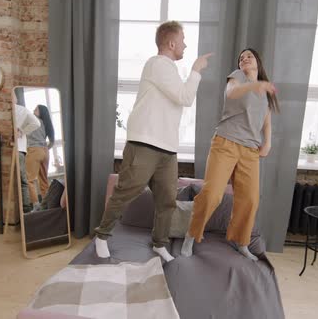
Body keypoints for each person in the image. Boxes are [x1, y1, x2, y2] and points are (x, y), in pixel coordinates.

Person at [93, 21, 212, 262]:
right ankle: (102, 236)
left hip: (167, 149)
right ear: (171, 43)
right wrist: (197, 69)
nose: (185, 45)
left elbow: (177, 100)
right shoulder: (158, 64)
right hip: (144, 144)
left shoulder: (169, 70)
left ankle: (160, 243)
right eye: (183, 40)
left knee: (167, 200)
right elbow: (185, 97)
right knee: (126, 191)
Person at [181, 48, 279, 260]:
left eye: (249, 56)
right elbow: (231, 93)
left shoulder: (263, 88)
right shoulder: (237, 77)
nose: (244, 59)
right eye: (241, 57)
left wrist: (268, 141)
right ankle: (191, 234)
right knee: (212, 194)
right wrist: (255, 85)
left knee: (250, 199)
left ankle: (239, 240)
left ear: (258, 62)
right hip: (226, 142)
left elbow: (266, 117)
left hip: (250, 150)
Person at [26, 105, 55, 210]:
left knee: (29, 180)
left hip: (34, 150)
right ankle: (47, 205)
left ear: (41, 112)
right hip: (45, 151)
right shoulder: (45, 123)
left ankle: (36, 205)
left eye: (36, 109)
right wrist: (44, 149)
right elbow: (52, 142)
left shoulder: (32, 120)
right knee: (43, 180)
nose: (33, 110)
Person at [14, 104, 41, 213]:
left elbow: (36, 123)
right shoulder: (22, 110)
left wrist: (22, 131)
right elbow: (36, 123)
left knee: (26, 180)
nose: (34, 110)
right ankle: (29, 208)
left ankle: (33, 206)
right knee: (25, 180)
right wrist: (22, 131)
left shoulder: (19, 109)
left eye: (36, 109)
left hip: (26, 149)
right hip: (22, 148)